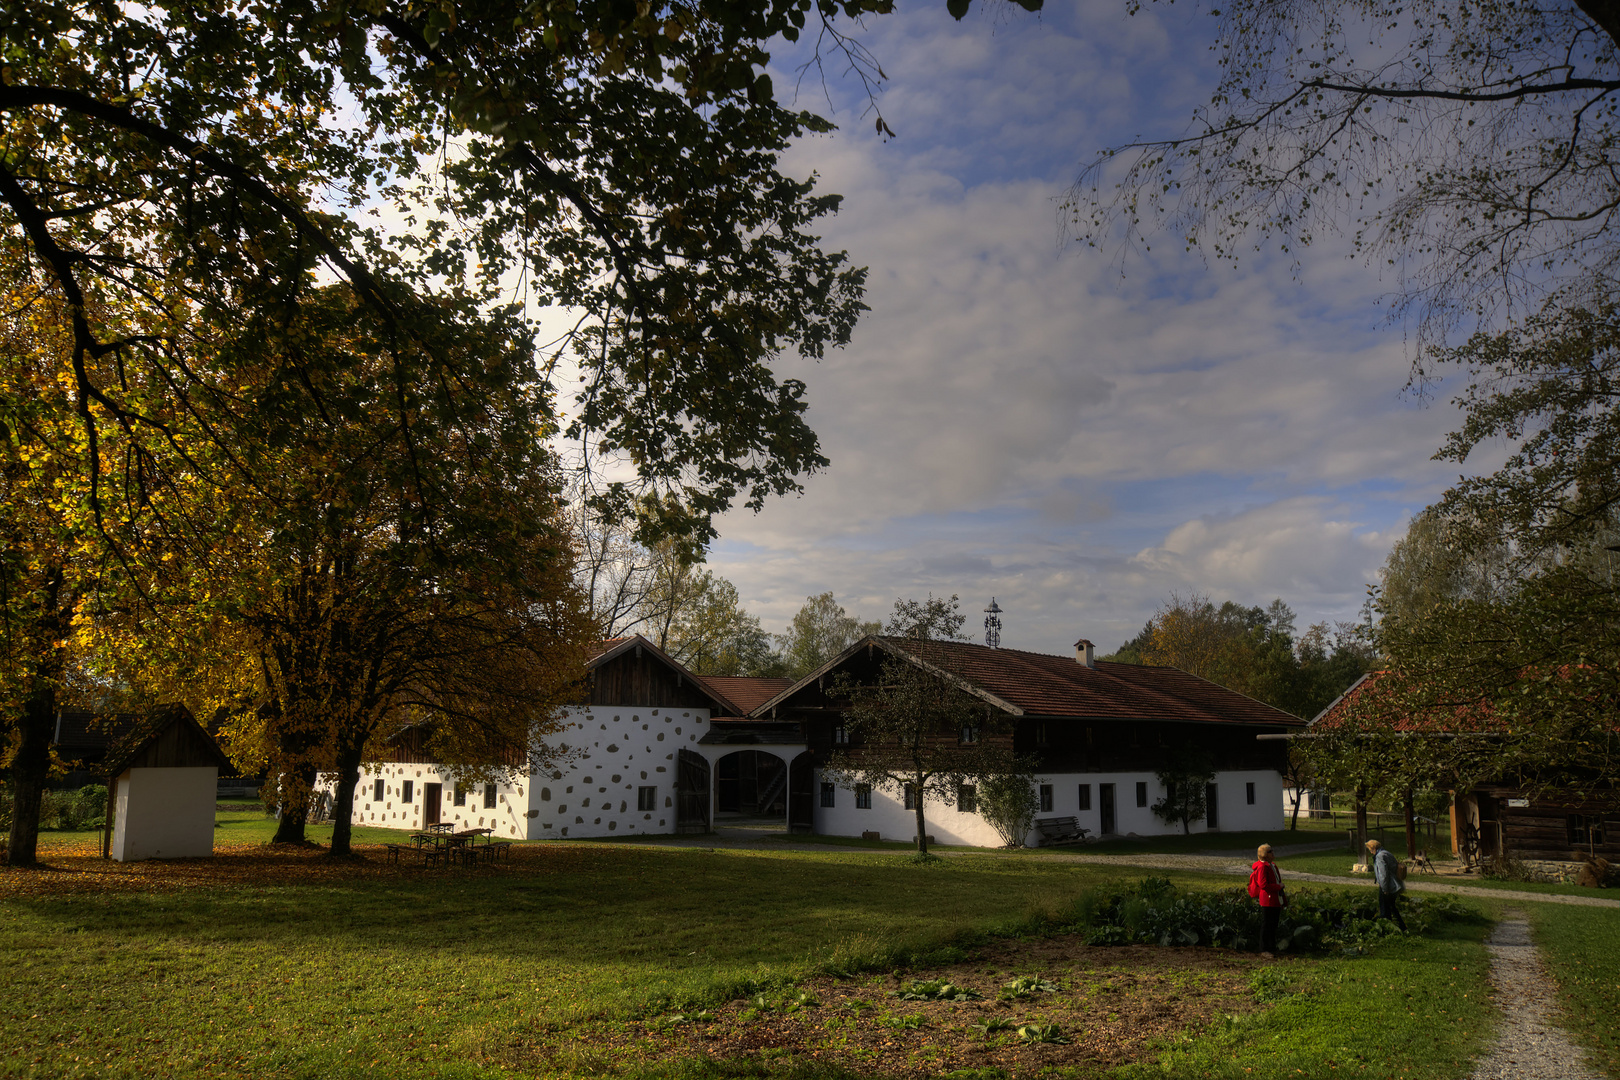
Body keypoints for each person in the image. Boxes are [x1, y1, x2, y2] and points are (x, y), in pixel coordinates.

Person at [1247, 843, 1286, 957]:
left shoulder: (1272, 865)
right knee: (1267, 924)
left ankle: (1271, 947)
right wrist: (1278, 887)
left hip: (1275, 899)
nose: (1273, 853)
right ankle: (1263, 949)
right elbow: (1263, 885)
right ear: (1265, 854)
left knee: (1273, 924)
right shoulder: (1263, 867)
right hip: (1268, 899)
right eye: (1270, 851)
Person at [1366, 839, 1408, 930]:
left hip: (1388, 886)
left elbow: (1383, 874)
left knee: (1385, 910)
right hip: (1394, 885)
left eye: (1369, 849)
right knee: (1391, 907)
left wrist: (1385, 889)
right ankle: (1400, 927)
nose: (1369, 851)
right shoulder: (1386, 853)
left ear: (1373, 848)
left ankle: (1387, 927)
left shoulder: (1380, 857)